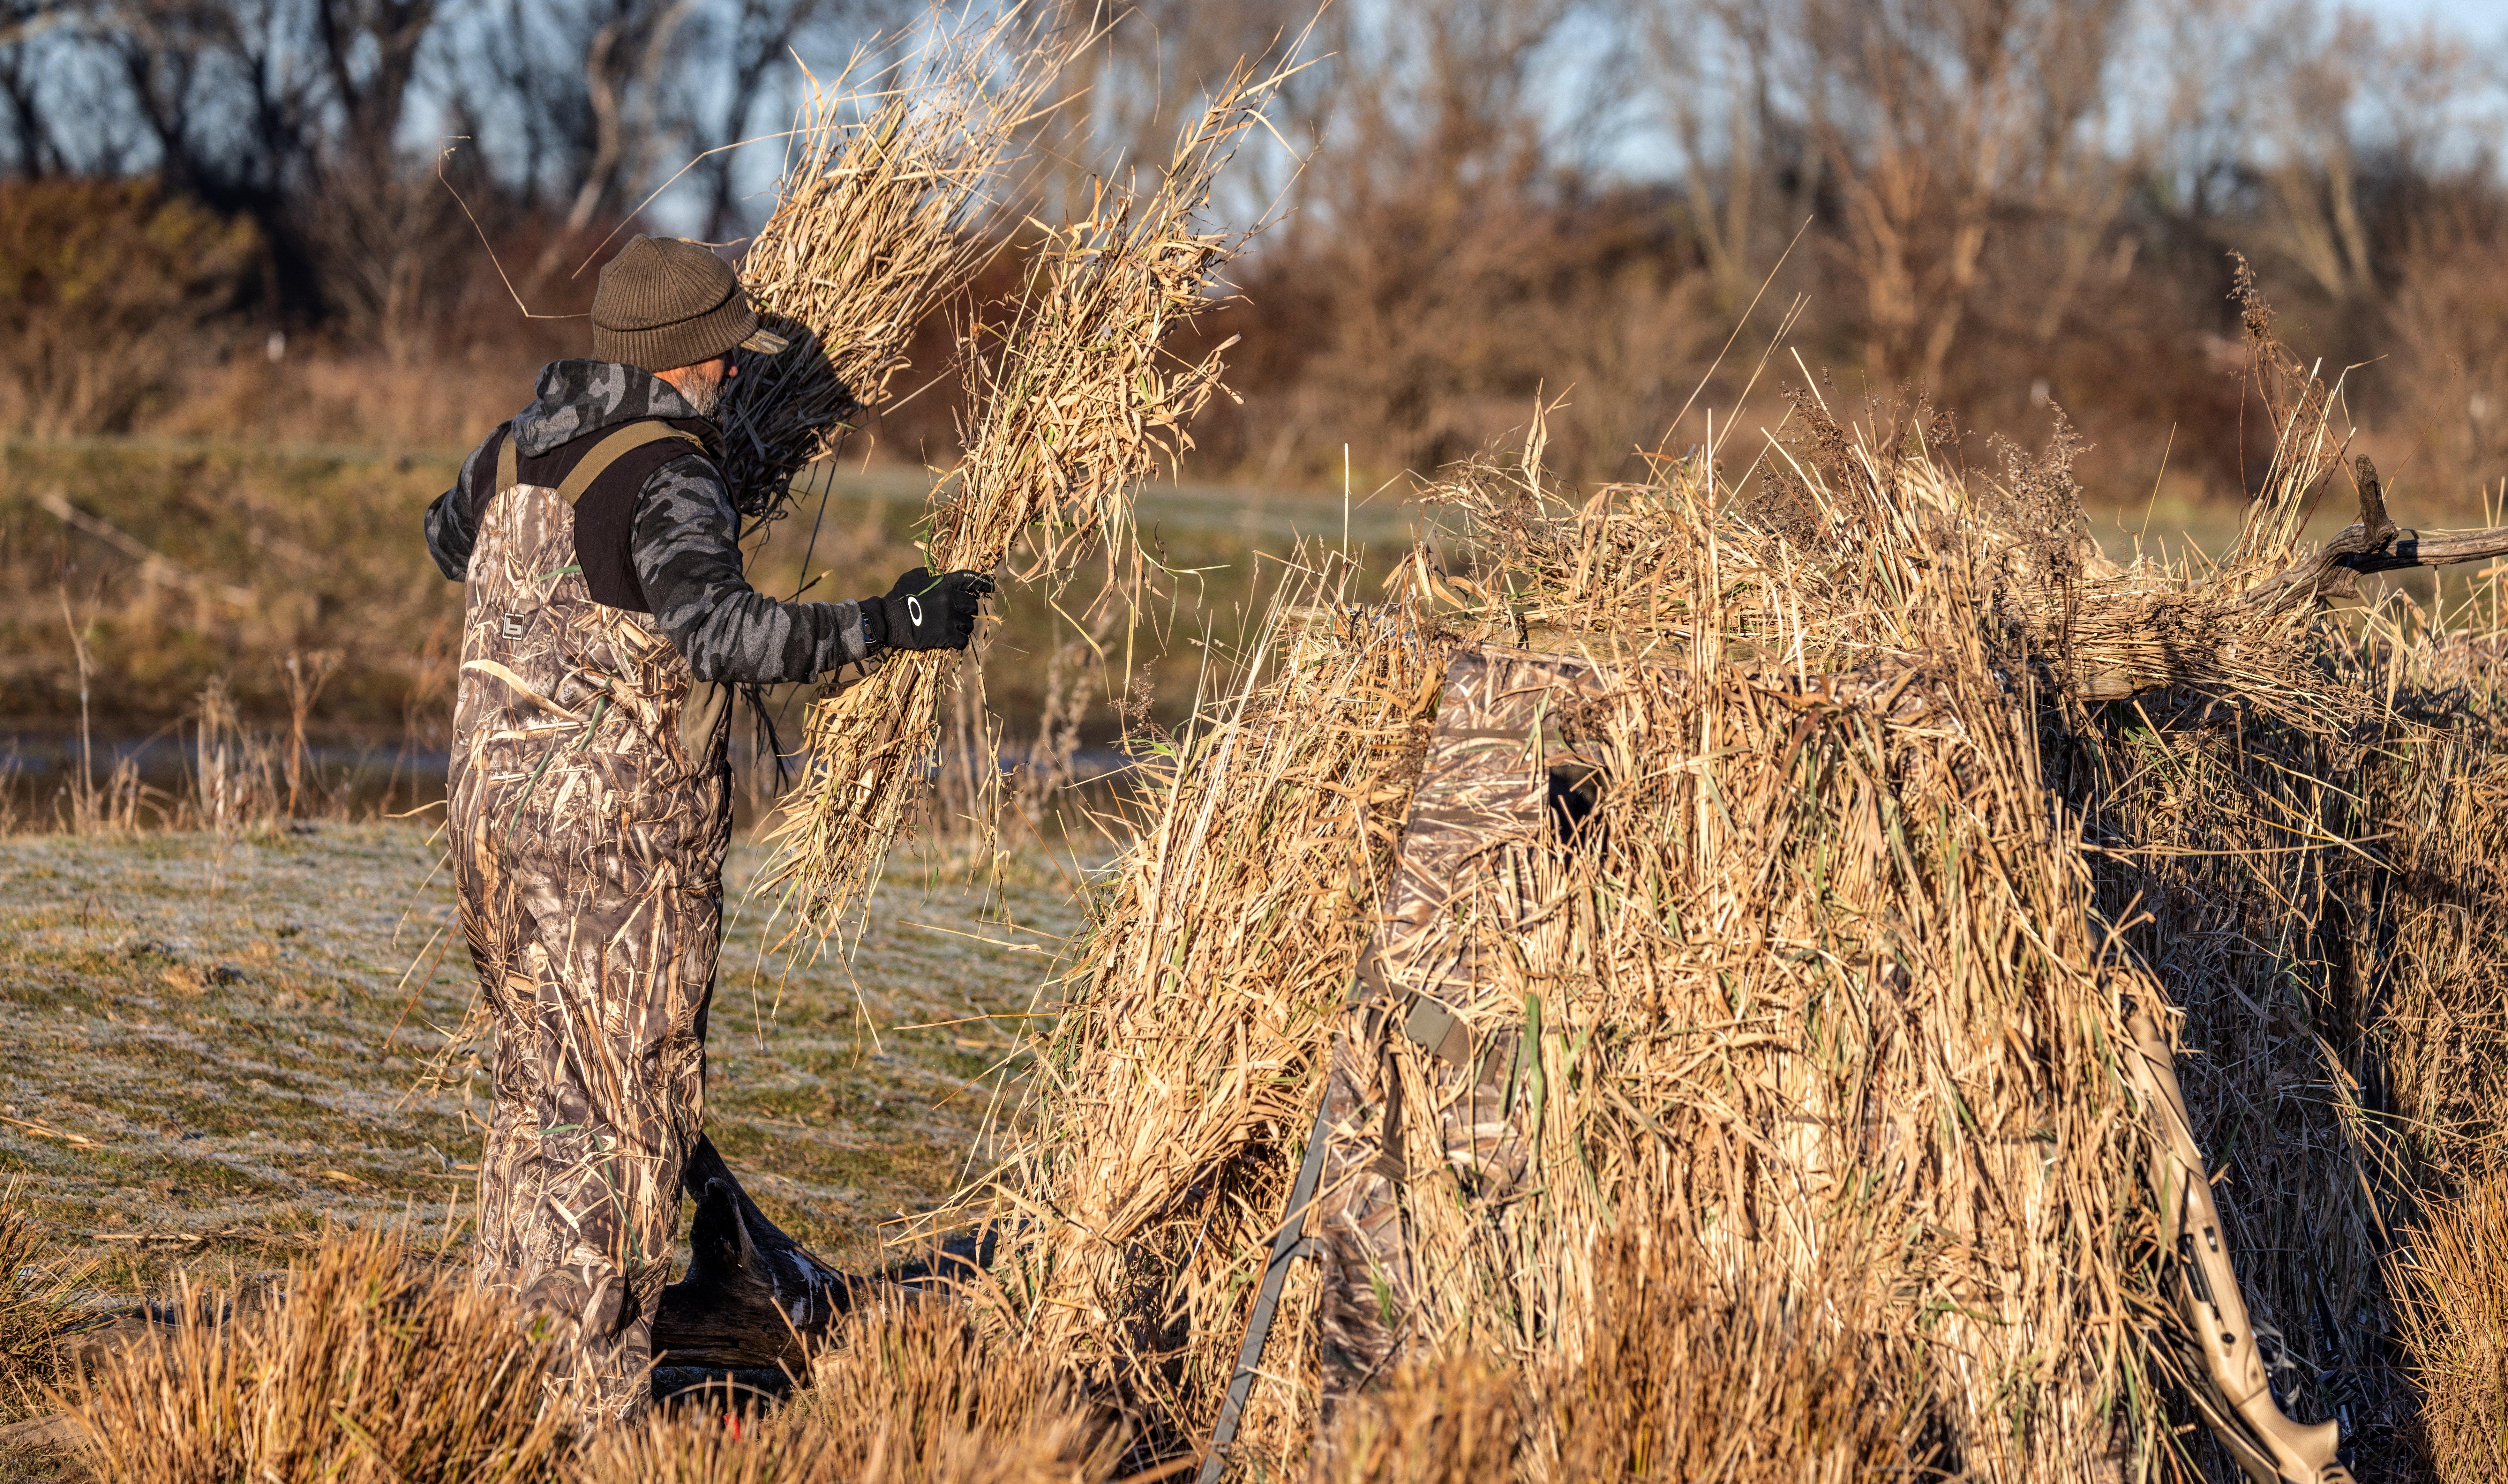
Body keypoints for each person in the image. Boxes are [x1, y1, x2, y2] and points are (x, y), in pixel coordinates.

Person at [422, 234, 991, 1421]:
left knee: (540, 1098)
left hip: (489, 834)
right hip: (612, 861)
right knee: (625, 1122)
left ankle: (495, 1373)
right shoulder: (670, 474)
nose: (736, 373)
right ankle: (584, 1411)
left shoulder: (516, 444)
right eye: (725, 357)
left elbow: (443, 538)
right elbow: (721, 635)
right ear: (693, 363)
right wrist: (891, 620)